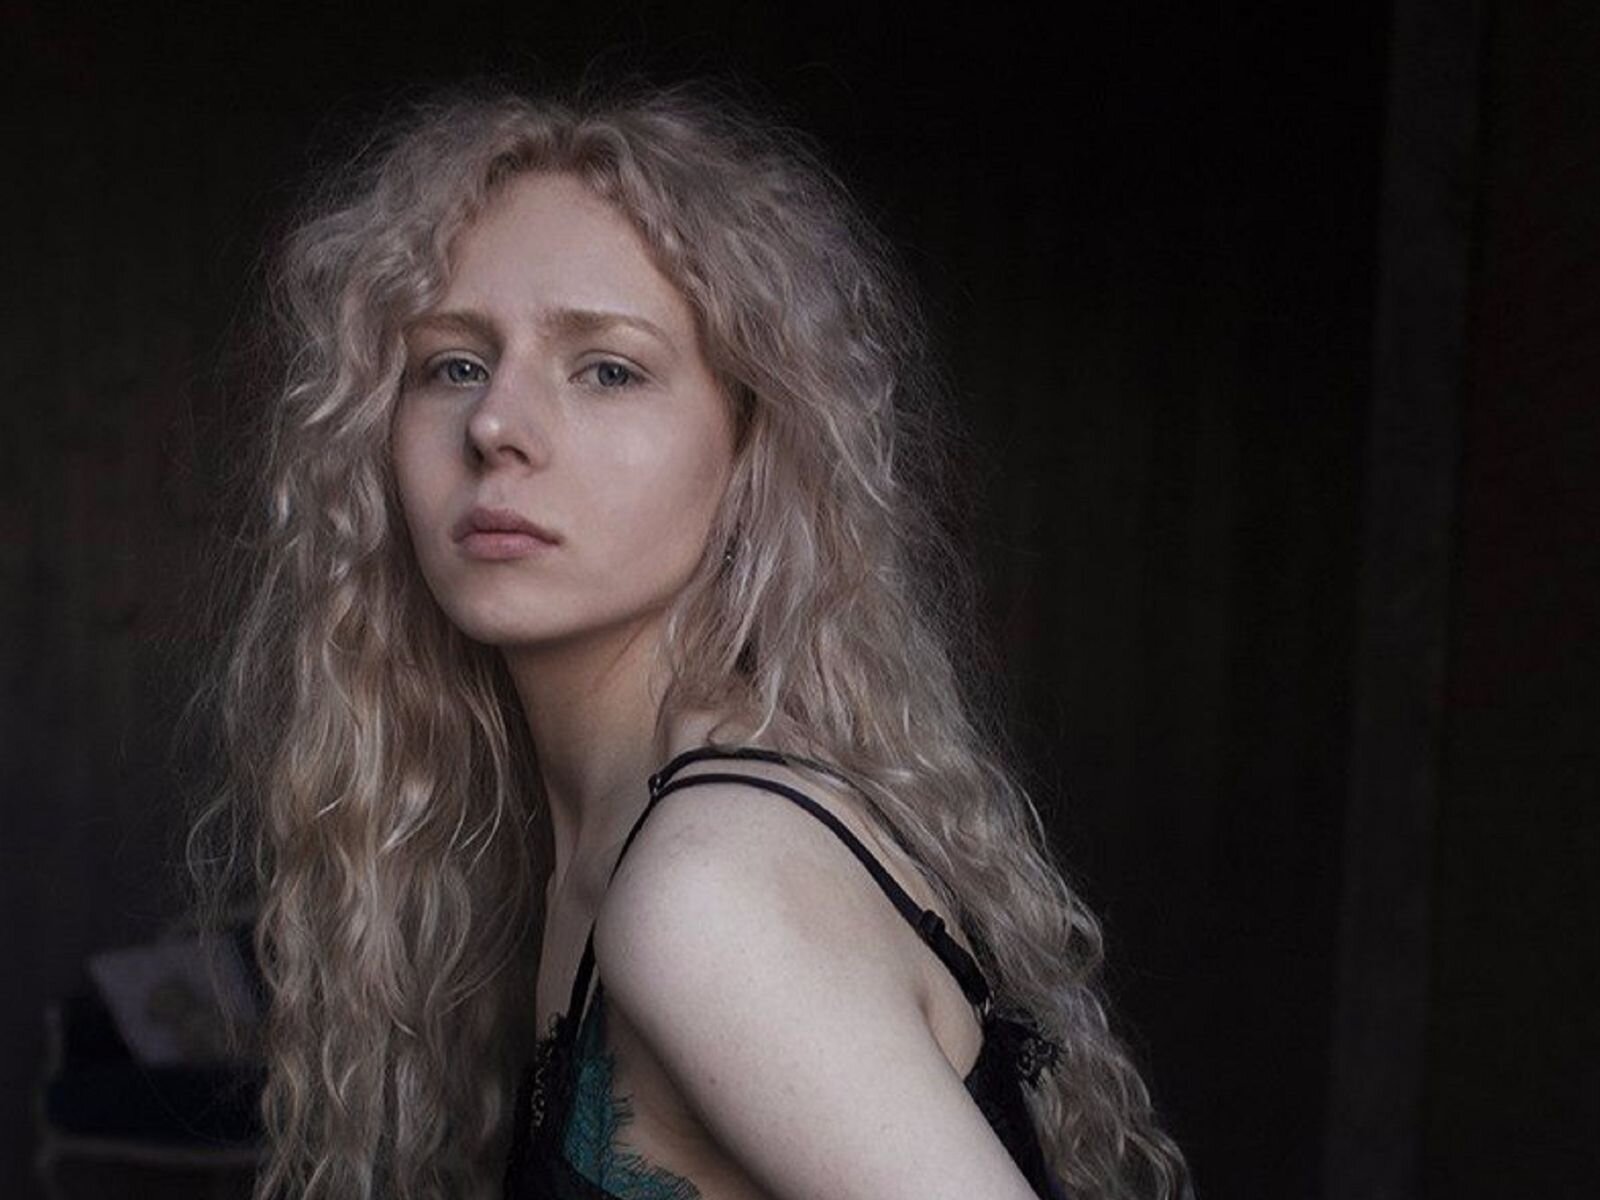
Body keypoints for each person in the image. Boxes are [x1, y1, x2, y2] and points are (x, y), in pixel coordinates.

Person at [190, 81, 1189, 1200]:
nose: (496, 425)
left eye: (607, 369)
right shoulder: (605, 838)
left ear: (752, 443)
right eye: (453, 365)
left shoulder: (710, 894)